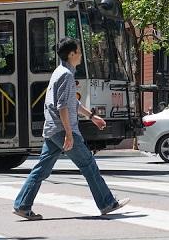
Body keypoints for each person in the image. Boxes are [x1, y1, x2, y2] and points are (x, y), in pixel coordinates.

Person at [13, 38, 130, 219]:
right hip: (62, 130)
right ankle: (107, 203)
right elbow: (62, 107)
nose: (81, 55)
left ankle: (22, 205)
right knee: (88, 165)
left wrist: (91, 116)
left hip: (52, 130)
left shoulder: (59, 72)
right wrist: (69, 133)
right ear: (71, 54)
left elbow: (72, 103)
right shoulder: (66, 75)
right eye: (79, 52)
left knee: (42, 169)